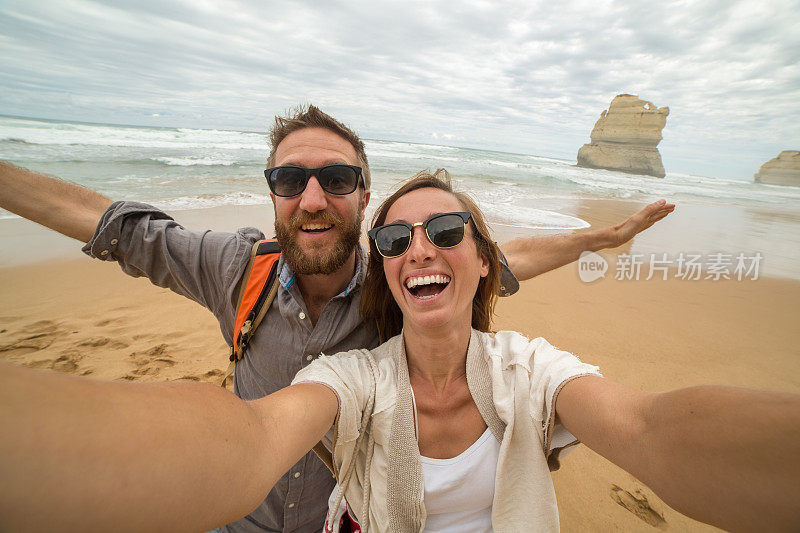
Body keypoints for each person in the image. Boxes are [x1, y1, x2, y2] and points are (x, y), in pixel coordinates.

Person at [0, 171, 798, 532]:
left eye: (447, 231)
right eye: (395, 236)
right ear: (382, 261)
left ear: (486, 260)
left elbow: (652, 429)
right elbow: (247, 441)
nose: (421, 247)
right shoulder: (355, 375)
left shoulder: (529, 367)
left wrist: (603, 236)